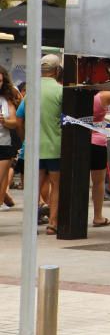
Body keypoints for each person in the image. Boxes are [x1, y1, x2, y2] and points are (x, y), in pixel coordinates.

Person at [15, 54, 64, 234]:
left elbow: (19, 120)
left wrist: (24, 138)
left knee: (34, 186)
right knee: (56, 185)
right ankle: (52, 224)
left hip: (33, 148)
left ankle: (31, 224)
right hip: (55, 147)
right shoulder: (60, 91)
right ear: (57, 70)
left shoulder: (31, 92)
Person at [90, 91, 110, 228]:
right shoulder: (101, 97)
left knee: (77, 181)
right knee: (98, 182)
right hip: (97, 143)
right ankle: (98, 216)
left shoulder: (70, 93)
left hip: (77, 142)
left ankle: (72, 215)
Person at [0, 65, 22, 212]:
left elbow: (14, 123)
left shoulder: (6, 99)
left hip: (4, 145)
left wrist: (4, 122)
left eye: (0, 81)